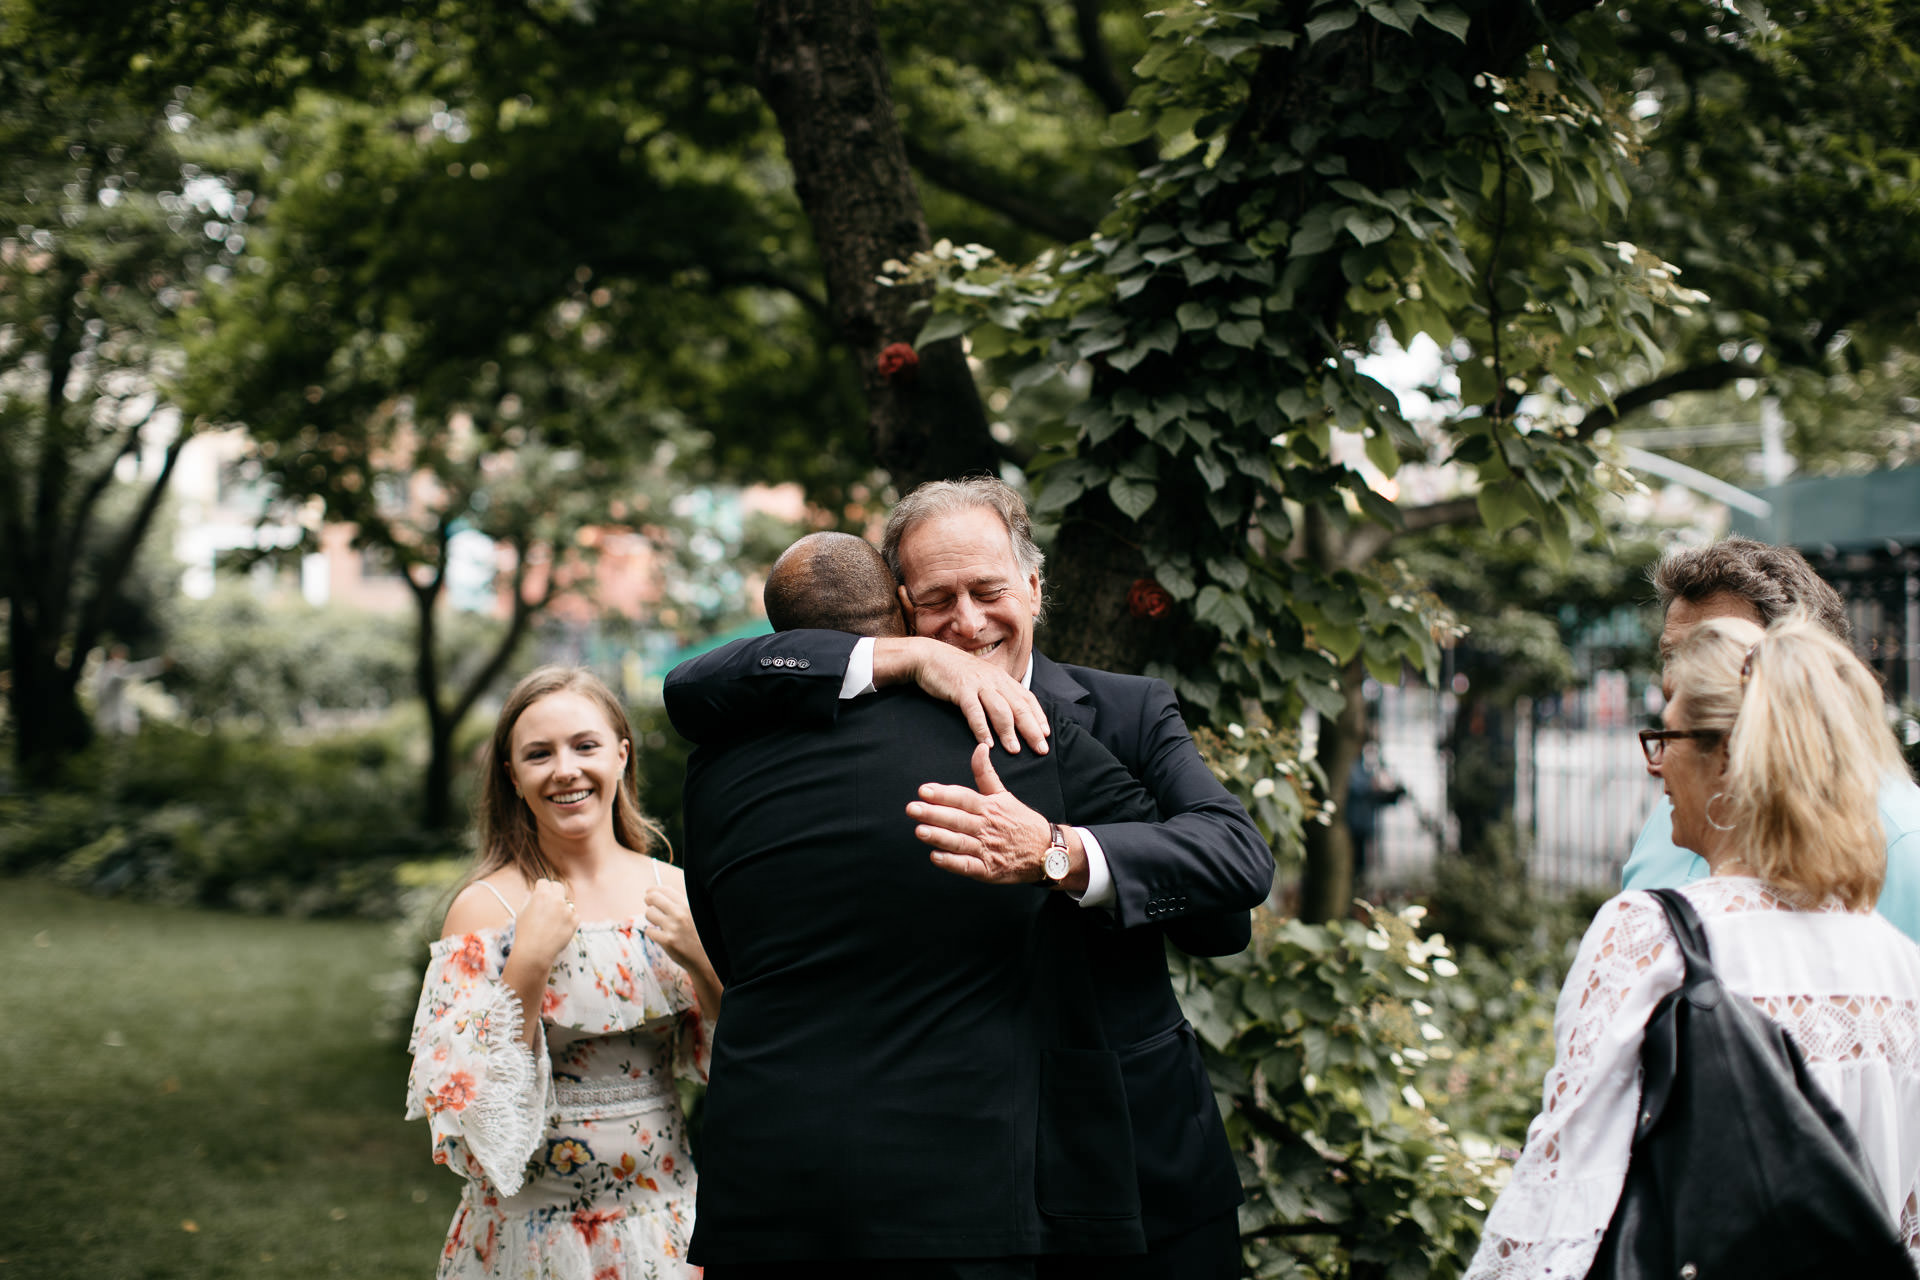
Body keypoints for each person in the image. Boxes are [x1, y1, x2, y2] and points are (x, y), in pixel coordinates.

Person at [666, 479, 1273, 1280]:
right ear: (897, 603)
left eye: (987, 591)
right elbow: (693, 683)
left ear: (1033, 586)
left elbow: (1229, 882)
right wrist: (907, 659)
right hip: (978, 1166)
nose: (967, 621)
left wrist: (1059, 852)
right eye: (937, 601)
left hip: (1134, 1146)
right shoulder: (870, 698)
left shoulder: (1125, 712)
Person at [1465, 613, 1920, 1278]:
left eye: (1666, 736)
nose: (1656, 767)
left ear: (1729, 758)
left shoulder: (1651, 936)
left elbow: (1565, 1204)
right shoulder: (1898, 961)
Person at [405, 667, 722, 1279]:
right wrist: (527, 961)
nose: (565, 770)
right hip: (531, 1242)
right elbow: (477, 1121)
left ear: (622, 756)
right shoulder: (484, 908)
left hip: (668, 1229)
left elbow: (739, 1074)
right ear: (512, 777)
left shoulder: (676, 892)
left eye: (585, 745)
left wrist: (706, 966)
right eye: (538, 754)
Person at [1622, 536, 1920, 941]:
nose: (1679, 680)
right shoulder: (1675, 815)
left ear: (1803, 664)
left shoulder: (1901, 836)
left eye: (1717, 654)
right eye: (1673, 655)